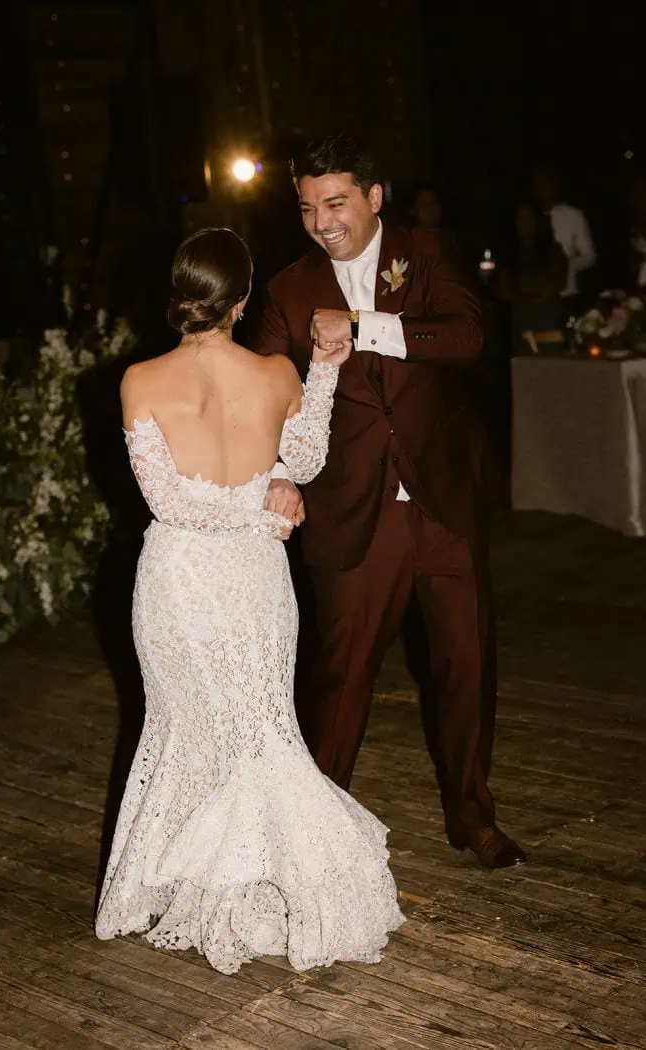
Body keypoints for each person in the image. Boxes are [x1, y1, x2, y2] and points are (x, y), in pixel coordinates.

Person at [94, 228, 404, 975]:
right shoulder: (274, 373)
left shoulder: (139, 379)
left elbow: (168, 503)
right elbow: (302, 459)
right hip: (257, 577)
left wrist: (265, 500)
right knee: (257, 730)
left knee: (193, 727)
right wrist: (319, 381)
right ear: (242, 298)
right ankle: (229, 883)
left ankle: (211, 886)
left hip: (180, 583)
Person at [255, 134, 527, 869]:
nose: (322, 222)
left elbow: (470, 335)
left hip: (443, 501)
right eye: (308, 208)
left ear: (375, 198)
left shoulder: (429, 252)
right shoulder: (287, 289)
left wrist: (366, 329)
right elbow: (266, 399)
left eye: (336, 202)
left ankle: (471, 815)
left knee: (467, 663)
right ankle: (308, 837)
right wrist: (278, 470)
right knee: (341, 680)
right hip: (352, 512)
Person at [496, 201, 568, 355]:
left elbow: (559, 281)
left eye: (529, 217)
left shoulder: (552, 249)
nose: (525, 222)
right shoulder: (507, 253)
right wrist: (522, 298)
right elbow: (503, 289)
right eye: (520, 217)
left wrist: (537, 296)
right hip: (521, 320)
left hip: (548, 318)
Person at [529, 164, 596, 313]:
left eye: (546, 183)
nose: (542, 189)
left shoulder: (573, 216)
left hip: (565, 294)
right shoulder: (525, 217)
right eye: (537, 184)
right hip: (531, 294)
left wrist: (567, 265)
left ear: (555, 185)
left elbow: (590, 256)